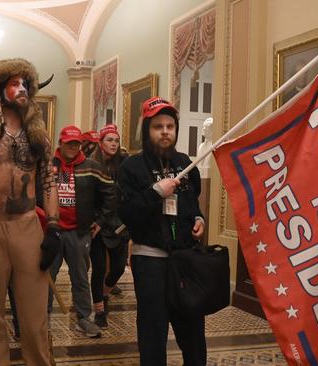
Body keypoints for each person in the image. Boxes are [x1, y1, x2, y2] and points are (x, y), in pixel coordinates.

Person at [0, 55, 60, 365]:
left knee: (34, 319)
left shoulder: (38, 135)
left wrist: (54, 227)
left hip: (28, 227)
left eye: (25, 84)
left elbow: (49, 179)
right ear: (0, 89)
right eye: (14, 83)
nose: (21, 89)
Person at [118, 97, 206, 366]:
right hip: (150, 262)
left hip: (185, 262)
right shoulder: (131, 168)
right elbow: (127, 214)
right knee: (153, 332)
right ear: (147, 130)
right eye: (158, 126)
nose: (165, 131)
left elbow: (193, 204)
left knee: (193, 332)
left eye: (170, 126)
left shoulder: (185, 163)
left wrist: (199, 219)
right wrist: (155, 193)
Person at [46, 125, 116, 339]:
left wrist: (100, 221)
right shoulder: (48, 166)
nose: (73, 147)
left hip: (80, 232)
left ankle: (84, 319)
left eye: (76, 143)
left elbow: (111, 194)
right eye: (69, 143)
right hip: (53, 232)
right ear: (60, 143)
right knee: (47, 277)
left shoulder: (92, 167)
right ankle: (43, 318)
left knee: (80, 277)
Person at [88, 124, 129, 330]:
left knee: (119, 268)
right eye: (109, 140)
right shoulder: (92, 164)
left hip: (120, 223)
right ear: (100, 143)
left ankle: (104, 293)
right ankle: (100, 311)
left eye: (116, 140)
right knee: (99, 268)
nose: (114, 143)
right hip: (97, 224)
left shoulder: (125, 163)